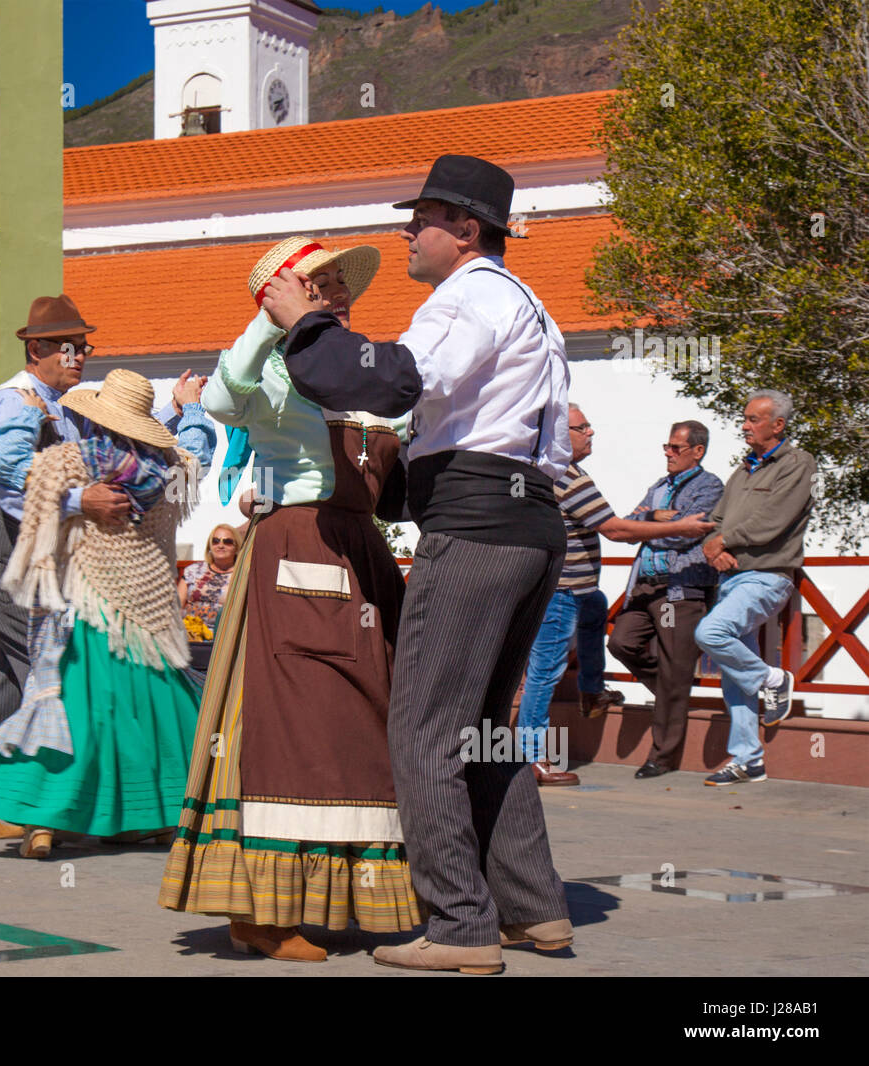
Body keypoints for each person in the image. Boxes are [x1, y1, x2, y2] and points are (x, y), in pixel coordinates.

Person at [261, 157, 574, 974]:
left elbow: (398, 380)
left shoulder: (469, 294)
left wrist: (306, 323)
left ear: (465, 231)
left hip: (477, 526)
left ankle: (461, 928)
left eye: (422, 218)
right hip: (531, 518)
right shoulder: (531, 305)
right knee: (481, 730)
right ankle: (535, 910)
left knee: (427, 728)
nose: (408, 231)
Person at [159, 236, 422, 963]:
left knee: (352, 721)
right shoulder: (268, 365)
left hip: (357, 543)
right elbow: (217, 397)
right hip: (295, 546)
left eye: (338, 282)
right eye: (317, 282)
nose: (335, 291)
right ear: (284, 294)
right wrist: (272, 323)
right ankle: (264, 910)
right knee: (289, 724)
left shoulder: (358, 362)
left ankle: (328, 899)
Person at [0, 294, 210, 840]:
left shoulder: (64, 416)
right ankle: (25, 805)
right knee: (55, 677)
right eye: (68, 348)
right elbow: (14, 476)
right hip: (6, 562)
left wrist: (171, 415)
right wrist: (79, 502)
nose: (78, 356)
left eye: (84, 347)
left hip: (39, 567)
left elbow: (125, 444)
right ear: (36, 348)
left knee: (14, 682)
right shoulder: (15, 404)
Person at [517, 404, 716, 786]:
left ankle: (591, 692)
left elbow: (635, 517)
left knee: (596, 606)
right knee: (544, 674)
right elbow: (618, 528)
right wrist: (676, 524)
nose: (591, 432)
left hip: (577, 589)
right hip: (560, 590)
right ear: (560, 433)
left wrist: (651, 518)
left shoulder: (551, 471)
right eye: (582, 427)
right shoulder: (566, 476)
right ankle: (531, 758)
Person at [695, 390, 813, 786]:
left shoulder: (799, 464)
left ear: (778, 425)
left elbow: (774, 520)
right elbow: (714, 522)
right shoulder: (742, 471)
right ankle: (748, 760)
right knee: (733, 671)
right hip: (730, 576)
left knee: (711, 632)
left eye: (753, 419)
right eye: (744, 418)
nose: (745, 425)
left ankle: (772, 679)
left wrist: (725, 541)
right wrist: (716, 551)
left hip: (767, 576)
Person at [607, 420, 725, 778]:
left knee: (676, 664)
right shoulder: (658, 487)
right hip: (645, 585)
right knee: (621, 643)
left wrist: (647, 527)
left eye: (676, 448)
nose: (668, 453)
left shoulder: (709, 486)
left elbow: (687, 535)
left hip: (680, 589)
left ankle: (662, 756)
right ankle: (672, 694)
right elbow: (627, 526)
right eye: (667, 446)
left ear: (697, 451)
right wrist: (655, 519)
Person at [177, 523, 241, 634]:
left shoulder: (243, 575)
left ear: (236, 548)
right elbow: (177, 606)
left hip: (225, 636)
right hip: (190, 632)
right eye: (216, 541)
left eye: (227, 542)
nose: (220, 545)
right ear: (210, 546)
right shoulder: (192, 571)